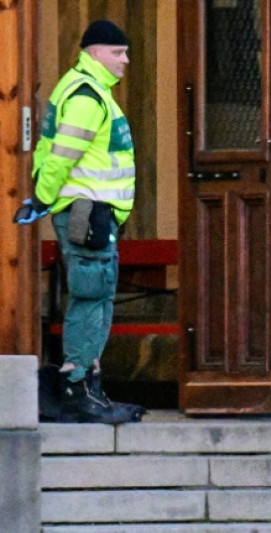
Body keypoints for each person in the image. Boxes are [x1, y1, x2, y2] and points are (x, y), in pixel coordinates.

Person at [16, 20, 142, 424]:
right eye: (117, 52)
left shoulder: (89, 90)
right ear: (93, 53)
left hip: (92, 212)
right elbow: (61, 157)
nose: (125, 59)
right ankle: (79, 388)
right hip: (86, 212)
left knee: (96, 296)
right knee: (91, 296)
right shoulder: (87, 96)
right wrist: (42, 198)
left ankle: (90, 389)